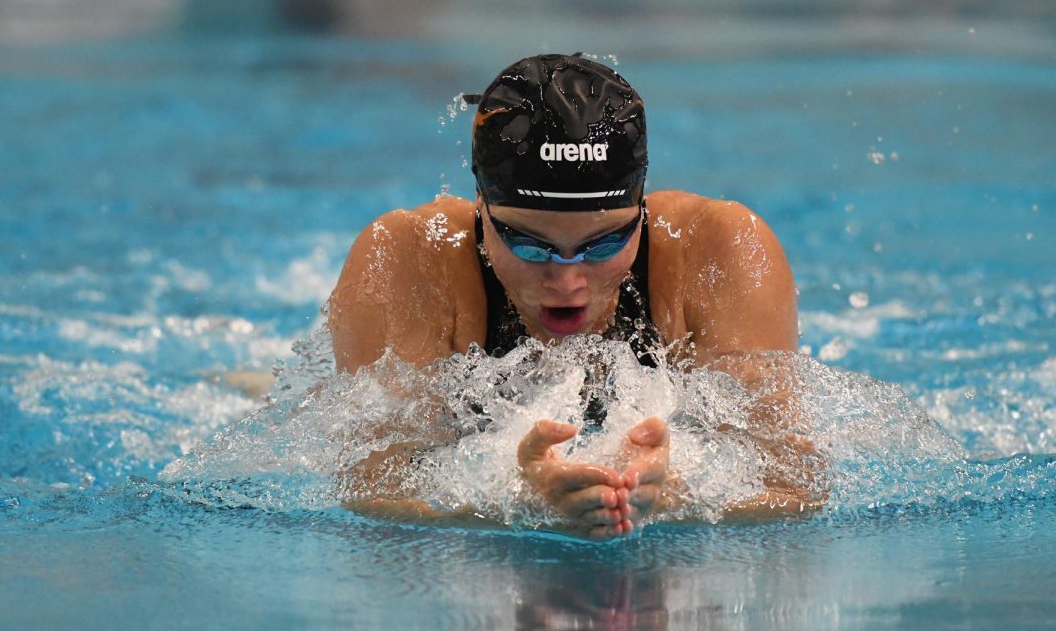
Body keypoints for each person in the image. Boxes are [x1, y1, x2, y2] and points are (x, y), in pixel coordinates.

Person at [328, 53, 818, 540]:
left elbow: (793, 486)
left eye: (603, 243)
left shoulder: (718, 251)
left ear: (640, 207)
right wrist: (518, 501)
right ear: (481, 203)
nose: (567, 283)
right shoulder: (413, 258)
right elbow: (372, 491)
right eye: (527, 243)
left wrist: (671, 497)